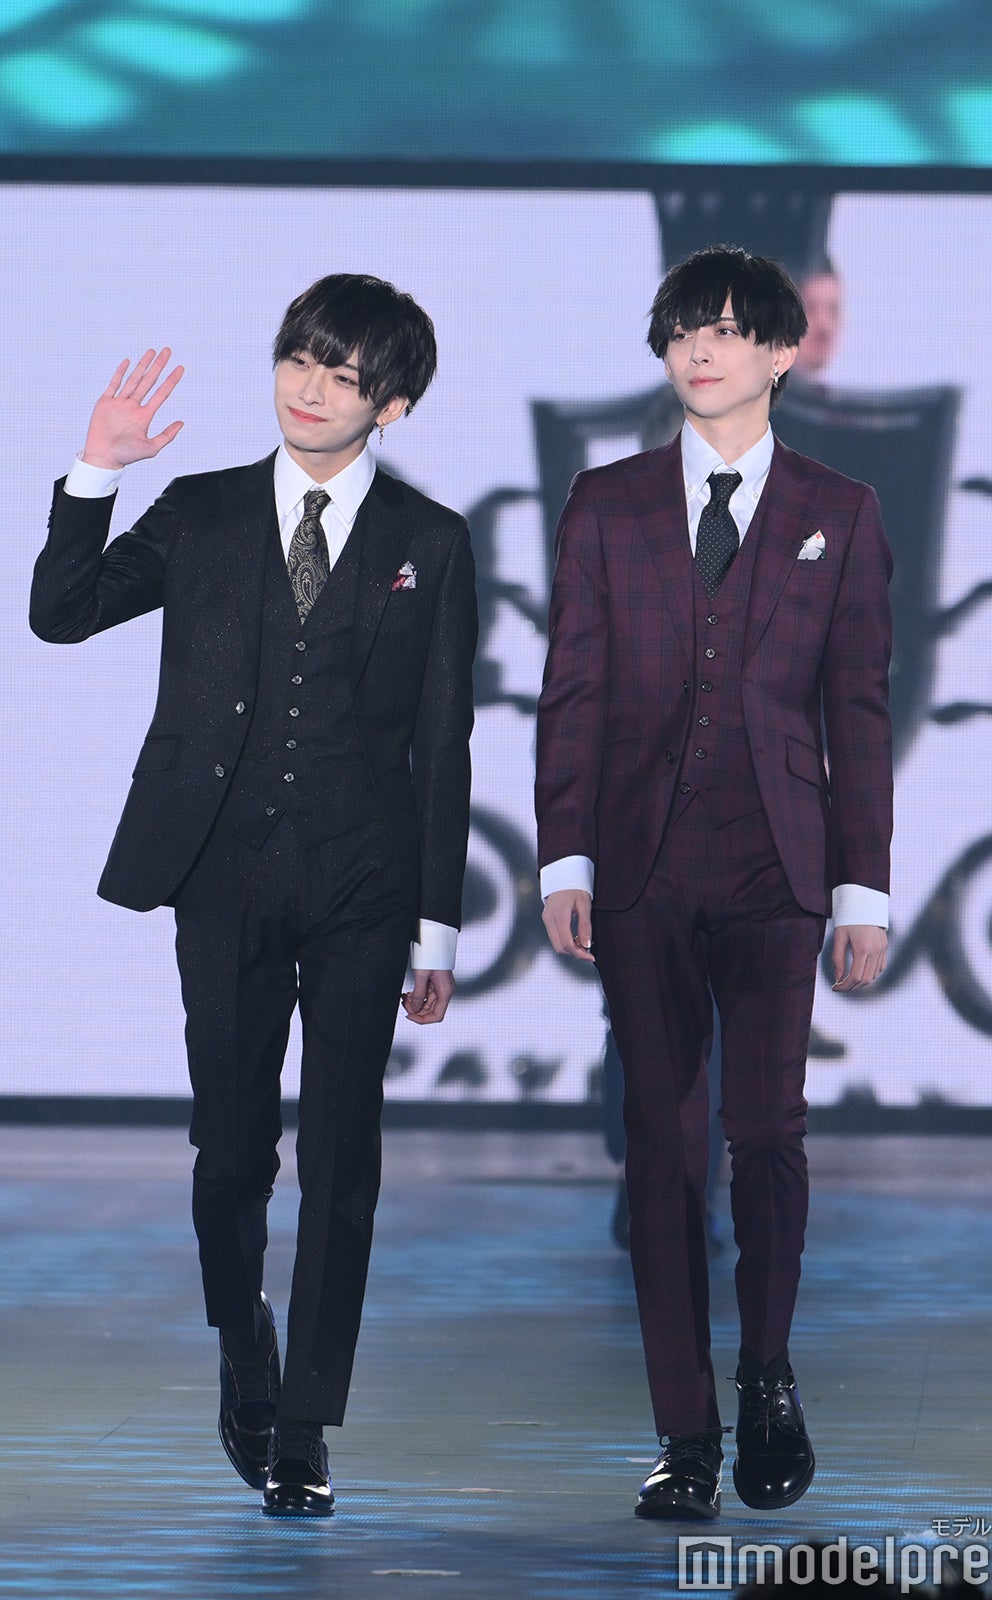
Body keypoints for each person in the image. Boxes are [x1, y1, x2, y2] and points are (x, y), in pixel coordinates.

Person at [30, 274, 478, 1518]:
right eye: (298, 359)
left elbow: (444, 742)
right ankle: (244, 1340)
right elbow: (60, 616)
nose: (309, 389)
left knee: (342, 1154)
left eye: (342, 375)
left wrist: (437, 922)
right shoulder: (205, 509)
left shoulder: (431, 540)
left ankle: (305, 1422)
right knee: (230, 1147)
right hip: (221, 871)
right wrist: (95, 468)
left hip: (365, 881)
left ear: (391, 405)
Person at [536, 245, 891, 1521]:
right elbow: (571, 688)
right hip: (639, 864)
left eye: (733, 330)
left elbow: (859, 706)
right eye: (686, 327)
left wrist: (863, 889)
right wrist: (564, 855)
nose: (703, 348)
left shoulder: (841, 509)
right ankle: (683, 1432)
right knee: (663, 1148)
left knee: (768, 1134)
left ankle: (766, 1372)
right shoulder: (607, 502)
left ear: (784, 354)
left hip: (778, 864)